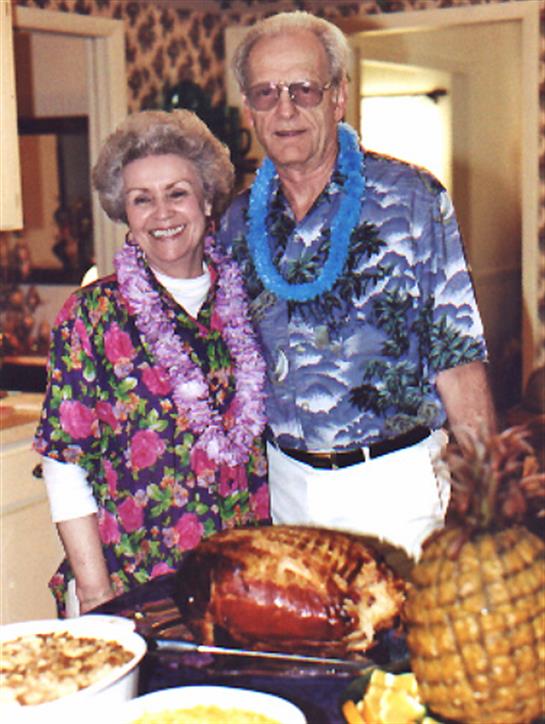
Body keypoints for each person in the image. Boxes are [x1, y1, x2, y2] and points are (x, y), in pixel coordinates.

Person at [217, 11, 497, 559]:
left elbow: (459, 363)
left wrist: (488, 503)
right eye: (266, 93)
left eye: (304, 88)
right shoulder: (233, 224)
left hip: (395, 487)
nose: (286, 109)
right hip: (283, 492)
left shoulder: (412, 199)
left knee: (412, 640)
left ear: (338, 96)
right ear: (249, 109)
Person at [34, 110, 270, 617]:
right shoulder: (93, 315)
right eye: (142, 199)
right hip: (132, 582)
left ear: (207, 200)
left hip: (244, 576)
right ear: (125, 212)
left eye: (177, 193)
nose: (162, 213)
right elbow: (64, 463)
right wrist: (97, 593)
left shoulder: (252, 300)